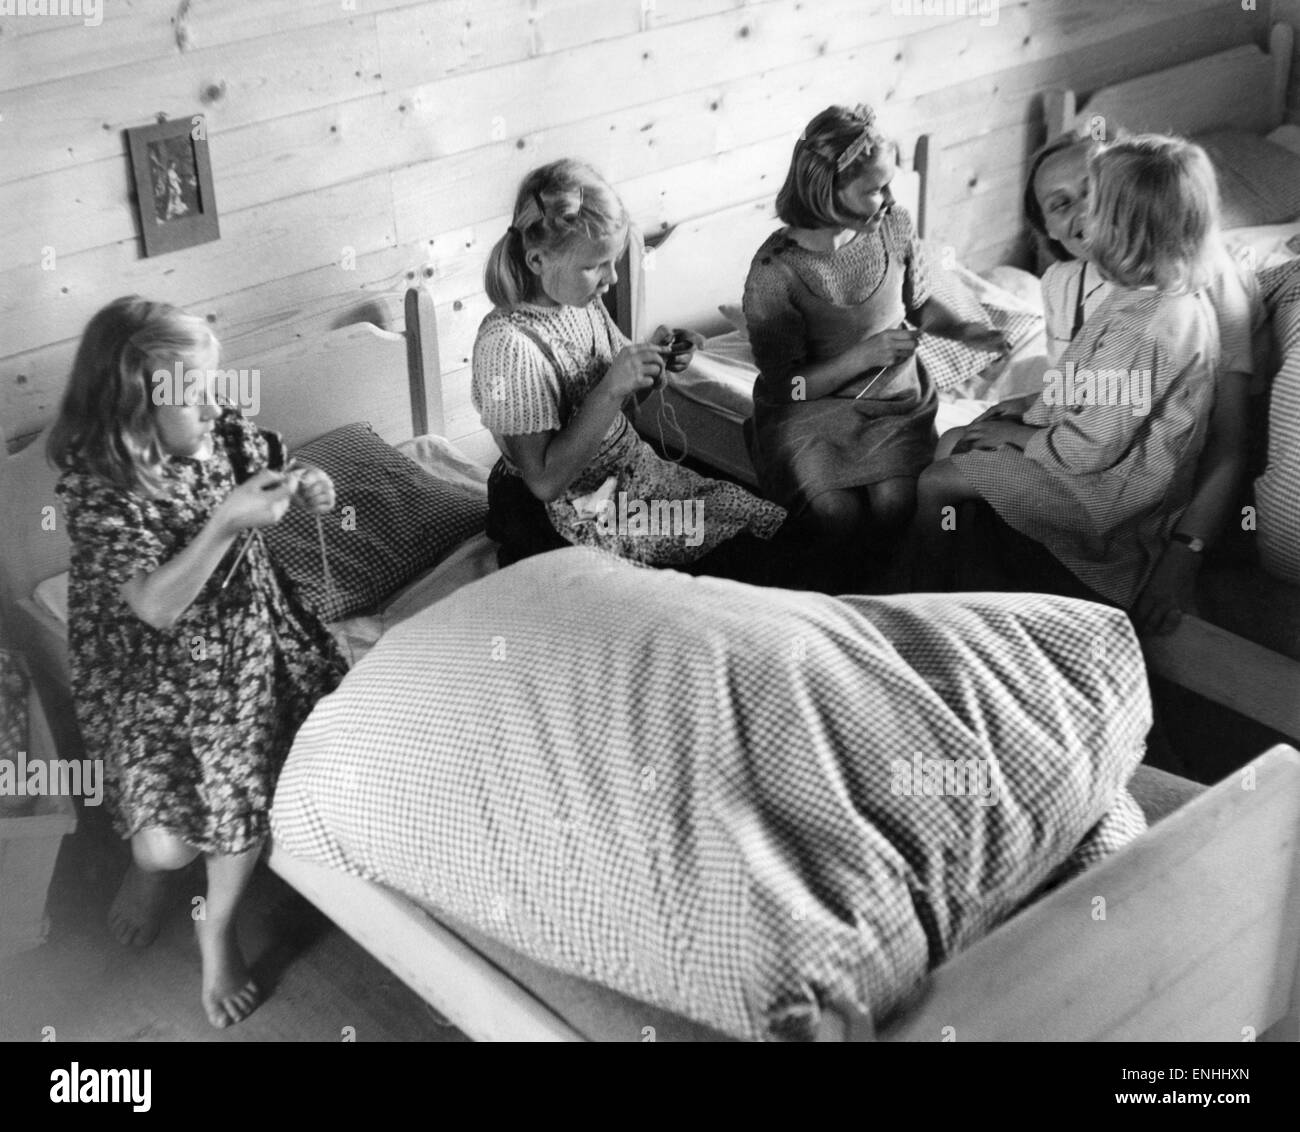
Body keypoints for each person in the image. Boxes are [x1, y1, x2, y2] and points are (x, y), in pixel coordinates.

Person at [47, 297, 347, 1028]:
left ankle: (217, 930)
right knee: (164, 847)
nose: (214, 405)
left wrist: (309, 485)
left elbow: (288, 468)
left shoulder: (224, 436)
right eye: (194, 390)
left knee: (237, 804)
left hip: (243, 647)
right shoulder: (99, 487)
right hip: (152, 673)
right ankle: (146, 875)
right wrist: (223, 522)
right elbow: (153, 605)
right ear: (135, 405)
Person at [916, 134, 1225, 611]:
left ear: (1130, 226)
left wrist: (1019, 437)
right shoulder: (1138, 293)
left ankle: (919, 597)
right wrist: (1028, 409)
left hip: (1110, 498)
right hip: (1092, 461)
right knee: (957, 440)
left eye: (1095, 205)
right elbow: (1089, 383)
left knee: (937, 482)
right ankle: (965, 583)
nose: (1084, 219)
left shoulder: (1154, 325)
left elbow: (1092, 445)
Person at [983, 133, 1260, 629]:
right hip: (1094, 451)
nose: (1086, 214)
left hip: (1168, 490)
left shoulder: (1206, 282)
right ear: (1046, 226)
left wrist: (1183, 557)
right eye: (1061, 204)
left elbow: (1227, 440)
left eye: (1094, 189)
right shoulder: (1066, 283)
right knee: (965, 453)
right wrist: (1024, 411)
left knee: (963, 484)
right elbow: (1094, 392)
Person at [471, 158, 790, 580]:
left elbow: (623, 403)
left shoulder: (579, 301)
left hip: (628, 476)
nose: (611, 278)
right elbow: (545, 482)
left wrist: (653, 362)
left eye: (613, 261)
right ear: (536, 261)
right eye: (594, 266)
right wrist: (611, 389)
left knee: (767, 523)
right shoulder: (508, 347)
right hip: (570, 508)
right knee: (738, 561)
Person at [741, 104, 1007, 589]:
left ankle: (893, 595)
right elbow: (787, 390)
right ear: (825, 191)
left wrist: (967, 331)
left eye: (890, 185)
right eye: (873, 189)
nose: (887, 200)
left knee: (894, 503)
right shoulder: (776, 271)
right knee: (835, 511)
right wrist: (861, 357)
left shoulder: (893, 227)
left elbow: (921, 305)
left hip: (894, 402)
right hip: (811, 411)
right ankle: (835, 599)